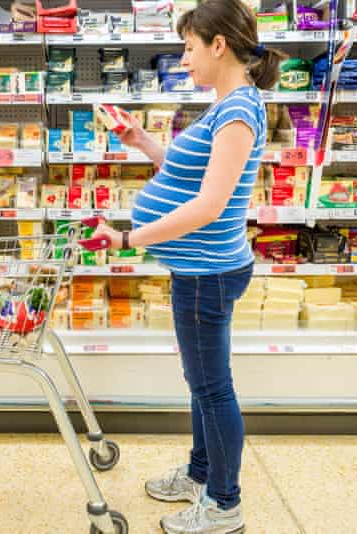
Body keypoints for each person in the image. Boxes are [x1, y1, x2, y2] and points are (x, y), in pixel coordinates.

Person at [90, 1, 284, 532]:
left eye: (189, 47)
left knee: (212, 388)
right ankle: (202, 474)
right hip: (201, 269)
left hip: (208, 273)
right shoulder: (228, 105)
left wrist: (129, 238)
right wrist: (142, 141)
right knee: (203, 384)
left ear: (217, 45)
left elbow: (209, 205)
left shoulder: (239, 110)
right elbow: (189, 173)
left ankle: (224, 505)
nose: (184, 58)